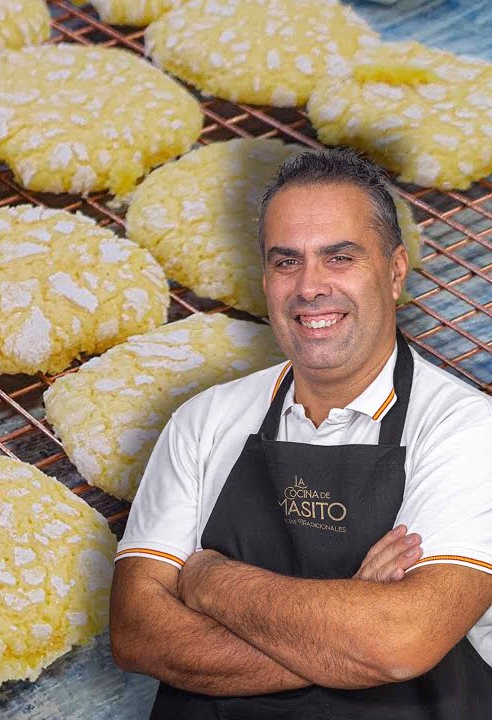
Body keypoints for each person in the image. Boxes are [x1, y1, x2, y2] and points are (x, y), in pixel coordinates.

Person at [108, 148, 492, 718]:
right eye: (286, 262)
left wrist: (210, 580)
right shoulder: (204, 420)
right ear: (265, 278)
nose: (310, 286)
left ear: (394, 271)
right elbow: (137, 633)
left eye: (339, 258)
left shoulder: (465, 430)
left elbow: (397, 643)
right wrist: (347, 627)